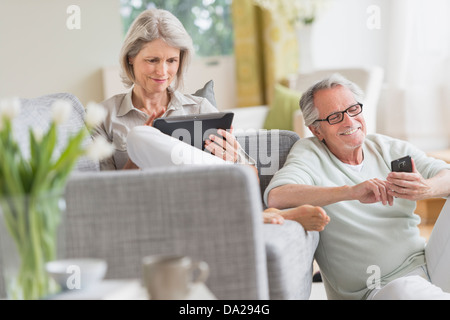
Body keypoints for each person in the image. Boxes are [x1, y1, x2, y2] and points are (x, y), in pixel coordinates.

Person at [94, 8, 328, 230]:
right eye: (152, 60)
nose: (162, 72)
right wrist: (139, 154)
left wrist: (233, 159)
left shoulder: (200, 109)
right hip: (148, 211)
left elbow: (249, 179)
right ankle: (253, 216)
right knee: (139, 137)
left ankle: (247, 212)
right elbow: (103, 196)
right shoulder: (103, 116)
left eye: (171, 61)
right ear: (131, 58)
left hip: (205, 203)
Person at [264, 73, 450, 299]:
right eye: (334, 117)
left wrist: (426, 188)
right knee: (405, 290)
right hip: (375, 290)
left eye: (353, 109)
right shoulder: (309, 153)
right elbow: (277, 196)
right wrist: (350, 192)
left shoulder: (385, 146)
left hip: (427, 268)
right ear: (316, 130)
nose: (350, 121)